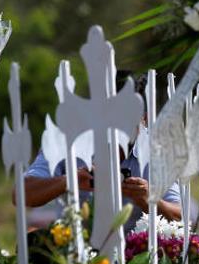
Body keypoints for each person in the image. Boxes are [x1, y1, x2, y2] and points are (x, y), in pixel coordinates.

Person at [17, 75, 182, 234]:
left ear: (143, 119)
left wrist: (151, 201)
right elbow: (20, 193)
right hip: (74, 254)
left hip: (137, 255)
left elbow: (183, 218)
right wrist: (68, 181)